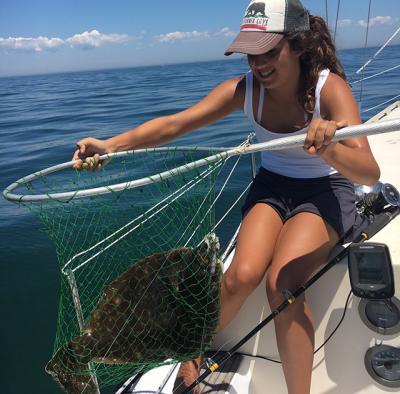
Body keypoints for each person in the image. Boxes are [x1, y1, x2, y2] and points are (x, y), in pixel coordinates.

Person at [72, 1, 380, 393]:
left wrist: (331, 148)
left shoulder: (328, 89)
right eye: (252, 55)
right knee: (240, 276)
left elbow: (368, 171)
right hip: (273, 186)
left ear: (299, 45)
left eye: (270, 52)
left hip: (326, 190)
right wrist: (111, 145)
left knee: (282, 285)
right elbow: (176, 124)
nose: (259, 65)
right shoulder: (243, 90)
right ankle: (194, 350)